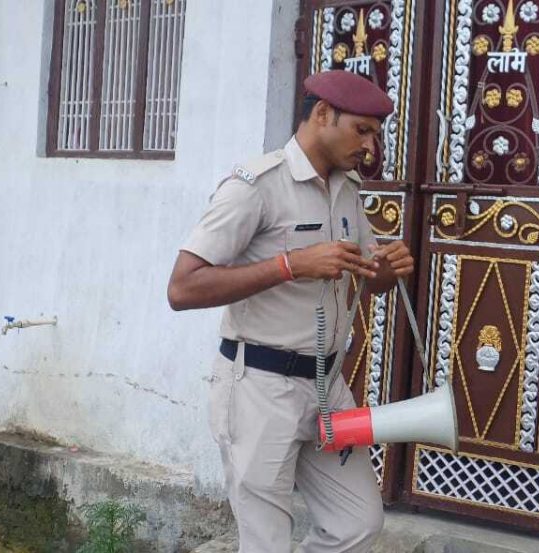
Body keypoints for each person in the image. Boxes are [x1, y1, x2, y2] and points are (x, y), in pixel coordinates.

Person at [166, 70, 414, 553]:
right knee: (266, 542)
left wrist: (387, 270)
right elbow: (182, 288)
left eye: (375, 134)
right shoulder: (255, 186)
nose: (370, 147)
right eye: (362, 130)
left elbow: (368, 276)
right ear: (322, 114)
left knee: (358, 523)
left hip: (326, 386)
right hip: (259, 388)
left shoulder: (347, 188)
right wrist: (289, 265)